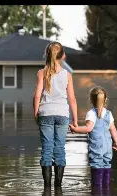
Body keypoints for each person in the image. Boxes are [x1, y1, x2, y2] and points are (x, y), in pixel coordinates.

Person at [33, 42, 78, 187]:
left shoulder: (41, 73)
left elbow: (37, 95)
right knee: (59, 148)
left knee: (47, 148)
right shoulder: (67, 75)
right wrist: (75, 120)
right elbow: (72, 99)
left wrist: (36, 113)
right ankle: (58, 188)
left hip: (45, 113)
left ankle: (46, 188)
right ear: (63, 55)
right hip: (62, 114)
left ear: (47, 55)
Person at [69, 86, 117, 189]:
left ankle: (97, 189)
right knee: (106, 164)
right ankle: (106, 189)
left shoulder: (91, 113)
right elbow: (113, 129)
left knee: (97, 164)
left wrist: (75, 130)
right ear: (105, 100)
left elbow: (88, 128)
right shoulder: (108, 114)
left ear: (91, 100)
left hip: (97, 145)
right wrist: (116, 141)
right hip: (107, 146)